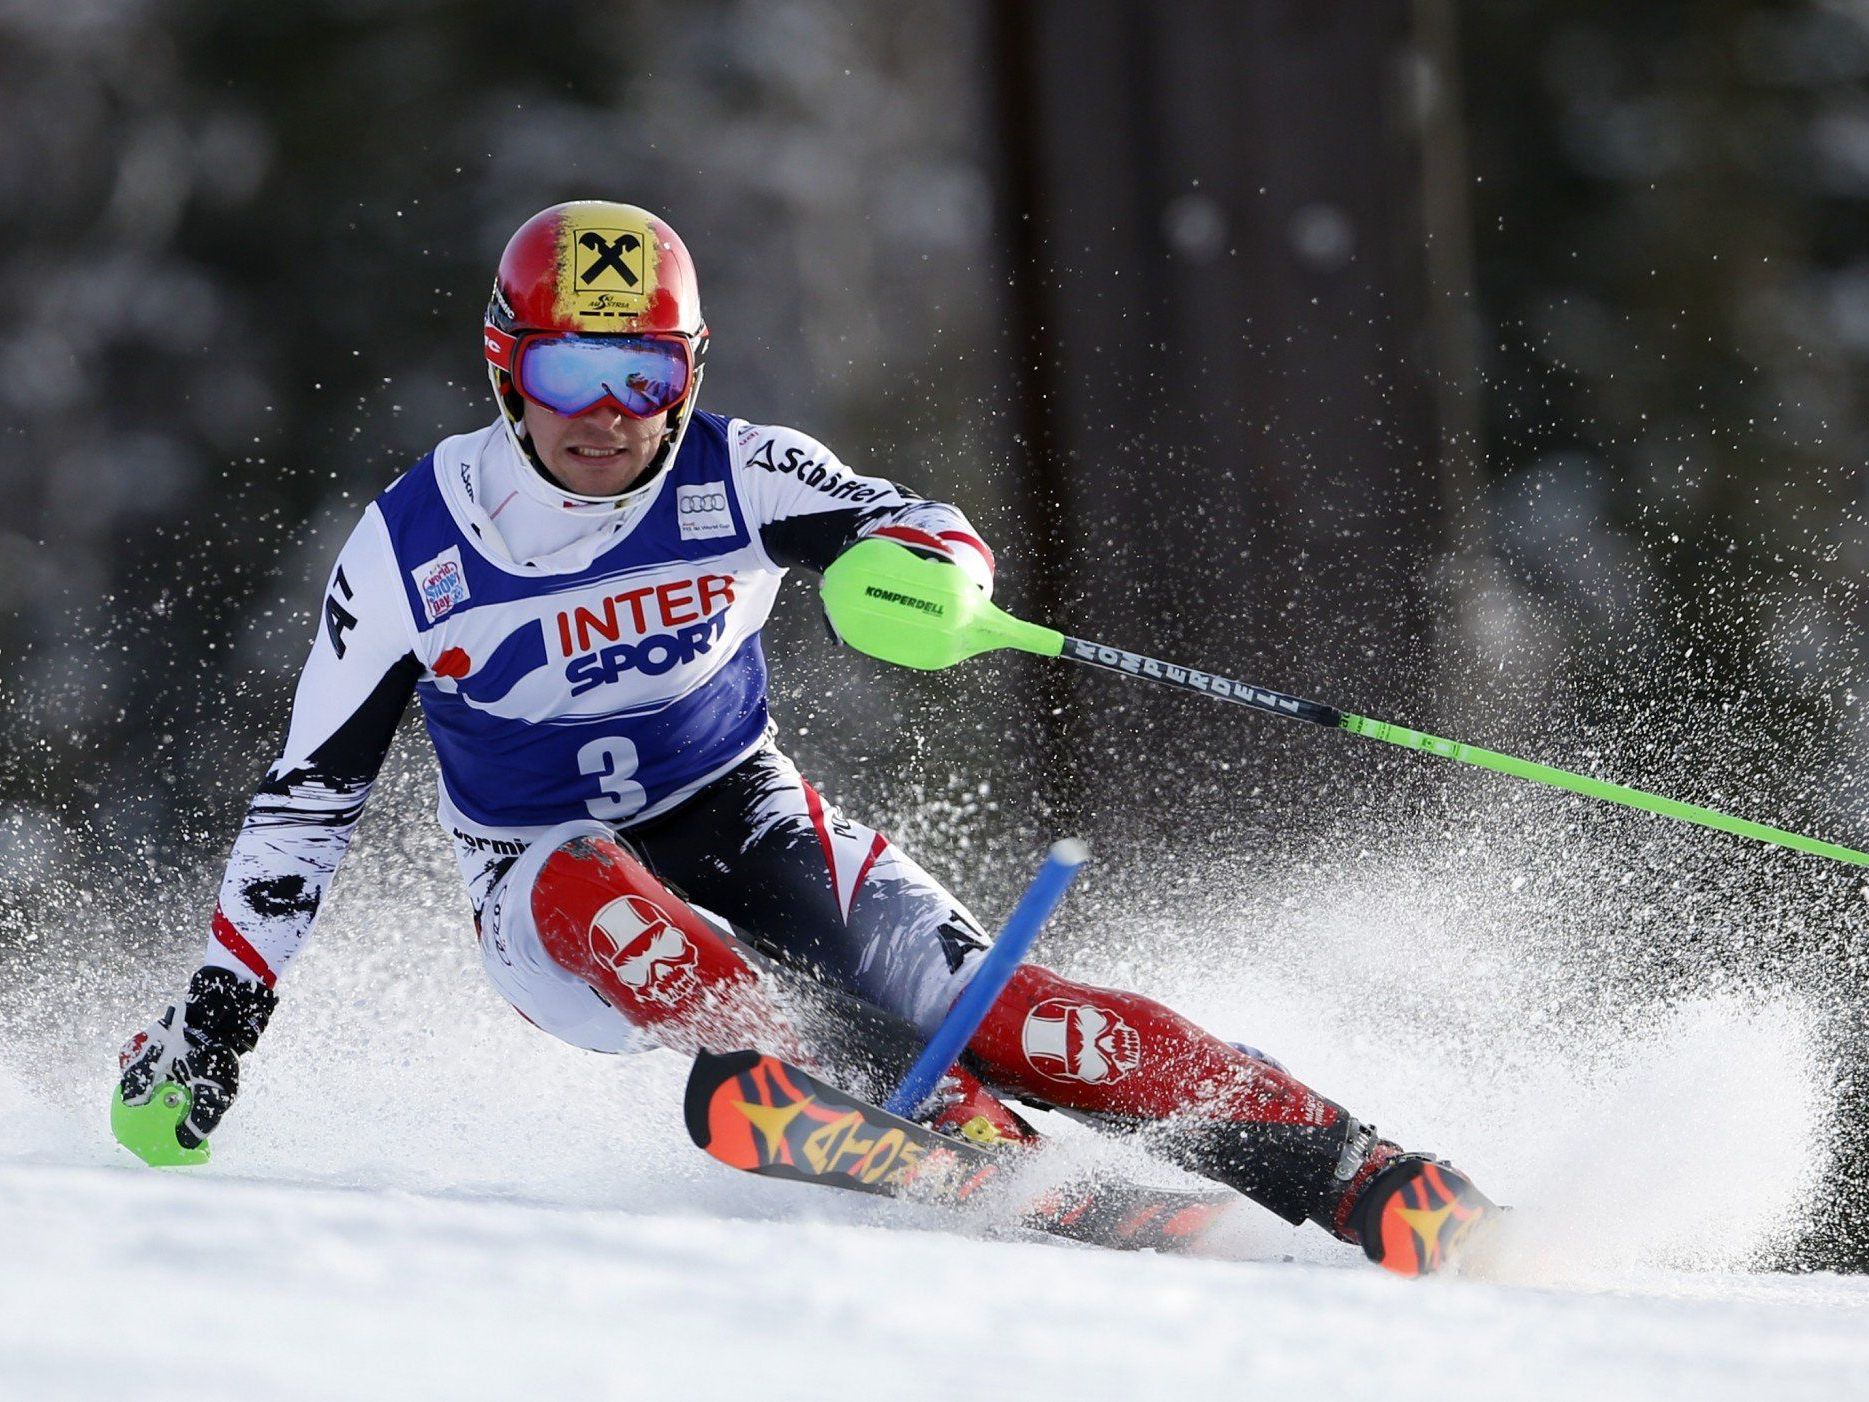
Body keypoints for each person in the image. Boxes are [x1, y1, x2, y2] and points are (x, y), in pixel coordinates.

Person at [117, 200, 1487, 1276]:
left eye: (642, 372)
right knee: (598, 885)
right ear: (506, 369)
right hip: (543, 881)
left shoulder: (738, 469)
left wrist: (935, 579)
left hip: (751, 815)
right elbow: (308, 794)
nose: (607, 414)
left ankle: (1364, 1175)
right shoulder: (414, 542)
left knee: (1009, 1012)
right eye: (570, 367)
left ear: (686, 370)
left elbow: (918, 524)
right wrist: (222, 1011)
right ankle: (820, 1083)